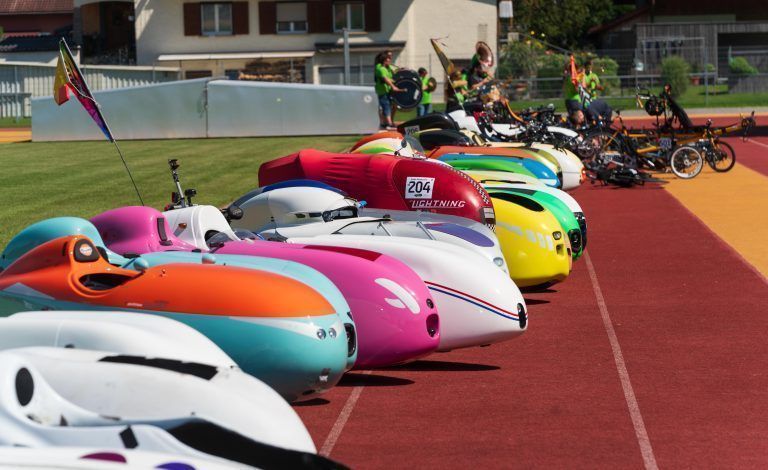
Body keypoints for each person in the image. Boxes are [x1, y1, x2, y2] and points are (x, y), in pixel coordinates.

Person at [374, 52, 402, 129]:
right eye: (388, 59)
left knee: (392, 106)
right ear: (384, 60)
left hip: (388, 91)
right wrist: (393, 86)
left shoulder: (386, 68)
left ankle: (387, 122)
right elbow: (385, 78)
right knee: (386, 106)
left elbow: (393, 73)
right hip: (382, 91)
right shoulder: (381, 68)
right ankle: (388, 123)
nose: (390, 60)